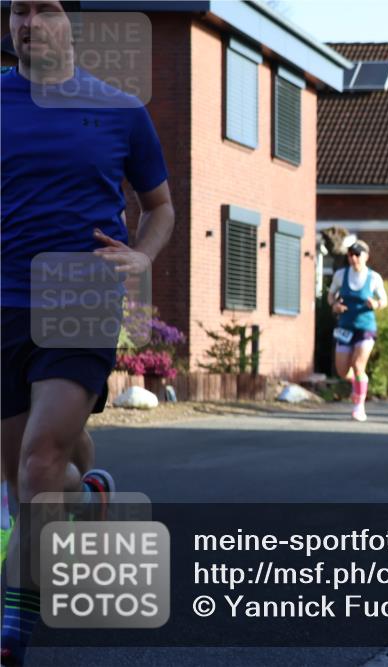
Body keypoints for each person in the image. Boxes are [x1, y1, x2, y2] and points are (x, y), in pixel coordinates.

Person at [1, 2, 174, 663]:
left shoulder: (119, 110)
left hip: (81, 297)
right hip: (5, 303)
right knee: (26, 479)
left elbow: (160, 206)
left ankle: (15, 622)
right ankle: (92, 490)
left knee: (37, 460)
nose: (28, 23)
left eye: (43, 9)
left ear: (72, 22)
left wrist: (142, 255)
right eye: (18, 10)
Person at [328, 239, 388, 422]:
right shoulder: (340, 275)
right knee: (342, 370)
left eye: (357, 255)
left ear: (366, 256)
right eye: (350, 255)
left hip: (365, 328)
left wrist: (376, 304)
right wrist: (334, 305)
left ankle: (358, 406)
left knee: (358, 365)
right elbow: (331, 295)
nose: (353, 258)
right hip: (345, 328)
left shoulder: (373, 278)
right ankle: (359, 383)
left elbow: (384, 301)